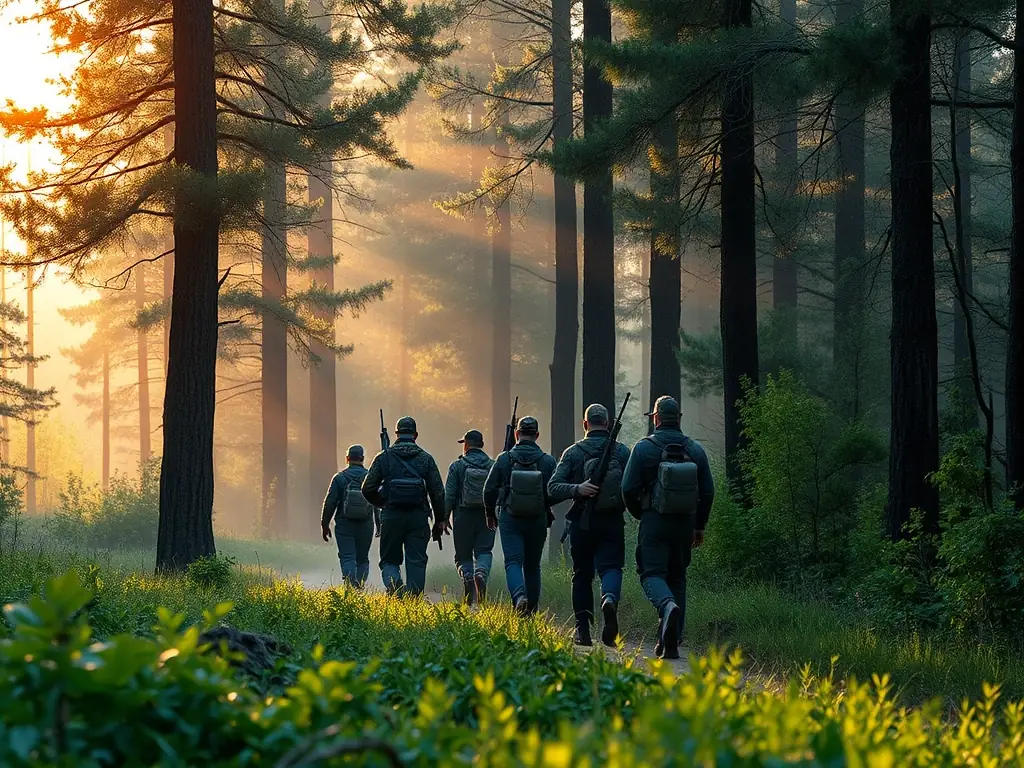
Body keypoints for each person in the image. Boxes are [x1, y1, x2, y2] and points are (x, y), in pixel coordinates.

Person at [621, 395, 714, 659]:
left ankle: (666, 604)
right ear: (679, 419)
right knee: (677, 578)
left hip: (654, 521)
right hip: (685, 524)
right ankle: (671, 642)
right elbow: (708, 491)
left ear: (656, 418)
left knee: (651, 574)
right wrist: (700, 526)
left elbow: (627, 488)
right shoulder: (695, 449)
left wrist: (640, 513)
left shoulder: (643, 448)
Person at [548, 404, 631, 647]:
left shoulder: (574, 452)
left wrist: (577, 489)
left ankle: (582, 631)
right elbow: (633, 486)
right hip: (613, 520)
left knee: (582, 576)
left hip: (582, 524)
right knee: (612, 567)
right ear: (606, 423)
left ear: (585, 424)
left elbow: (553, 487)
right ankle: (609, 599)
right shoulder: (623, 452)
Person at [361, 416, 445, 595]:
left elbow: (367, 488)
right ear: (415, 434)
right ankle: (413, 599)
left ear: (397, 433)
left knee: (389, 560)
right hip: (418, 517)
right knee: (416, 560)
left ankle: (394, 585)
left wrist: (383, 502)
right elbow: (437, 492)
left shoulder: (383, 457)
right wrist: (440, 519)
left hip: (391, 516)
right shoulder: (426, 459)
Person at [484, 415, 557, 615]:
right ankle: (531, 612)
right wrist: (545, 506)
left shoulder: (504, 459)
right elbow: (555, 490)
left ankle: (519, 597)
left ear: (517, 434)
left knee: (513, 562)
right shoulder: (547, 461)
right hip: (537, 520)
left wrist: (490, 512)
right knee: (533, 566)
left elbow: (489, 489)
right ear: (537, 435)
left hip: (510, 518)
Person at [439, 429, 495, 605]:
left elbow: (449, 494)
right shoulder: (492, 465)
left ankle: (469, 577)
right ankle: (481, 573)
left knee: (462, 556)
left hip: (462, 516)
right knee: (484, 551)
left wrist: (444, 517)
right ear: (482, 445)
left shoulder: (457, 466)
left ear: (466, 445)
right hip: (486, 515)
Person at [321, 445, 380, 589]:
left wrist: (325, 524)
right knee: (362, 558)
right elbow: (377, 502)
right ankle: (359, 585)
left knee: (347, 556)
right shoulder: (370, 477)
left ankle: (350, 584)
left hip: (344, 525)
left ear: (347, 459)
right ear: (362, 458)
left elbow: (330, 503)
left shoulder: (339, 478)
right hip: (366, 525)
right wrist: (379, 524)